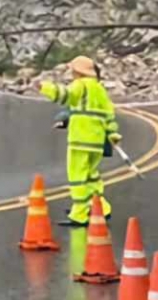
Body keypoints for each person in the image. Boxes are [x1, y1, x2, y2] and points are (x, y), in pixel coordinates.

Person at [40, 55, 121, 226]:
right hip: (97, 142)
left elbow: (66, 96)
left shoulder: (80, 85)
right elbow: (109, 115)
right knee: (92, 177)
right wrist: (113, 134)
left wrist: (44, 87)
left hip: (80, 140)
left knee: (77, 177)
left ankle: (79, 215)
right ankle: (101, 208)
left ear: (78, 71)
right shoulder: (99, 89)